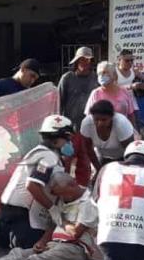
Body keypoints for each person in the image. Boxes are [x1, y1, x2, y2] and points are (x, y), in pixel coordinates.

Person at [0, 114, 74, 249]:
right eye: (67, 139)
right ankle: (12, 238)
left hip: (15, 209)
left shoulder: (43, 153)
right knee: (36, 246)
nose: (69, 143)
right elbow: (32, 185)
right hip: (20, 211)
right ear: (56, 138)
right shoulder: (48, 157)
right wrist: (52, 208)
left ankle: (8, 234)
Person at [58, 47, 99, 186]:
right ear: (76, 61)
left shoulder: (96, 79)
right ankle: (63, 189)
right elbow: (59, 103)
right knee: (66, 161)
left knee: (85, 163)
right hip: (70, 129)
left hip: (89, 129)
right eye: (81, 60)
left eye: (87, 60)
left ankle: (81, 191)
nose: (84, 63)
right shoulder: (67, 78)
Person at [80, 100, 135, 171]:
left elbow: (130, 151)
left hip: (124, 157)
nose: (99, 123)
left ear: (112, 117)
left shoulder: (121, 124)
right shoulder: (86, 123)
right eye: (96, 119)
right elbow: (88, 150)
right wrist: (99, 170)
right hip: (101, 156)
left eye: (104, 120)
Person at [83, 61, 136, 127]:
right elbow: (89, 117)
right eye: (99, 74)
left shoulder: (124, 91)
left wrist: (133, 131)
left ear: (114, 75)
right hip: (103, 132)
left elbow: (131, 114)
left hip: (123, 131)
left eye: (105, 73)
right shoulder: (96, 93)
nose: (101, 76)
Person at [116, 49, 144, 130]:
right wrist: (131, 86)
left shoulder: (134, 71)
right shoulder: (114, 72)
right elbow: (112, 87)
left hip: (132, 104)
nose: (130, 63)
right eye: (127, 60)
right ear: (119, 60)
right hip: (117, 104)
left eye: (131, 60)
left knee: (135, 128)